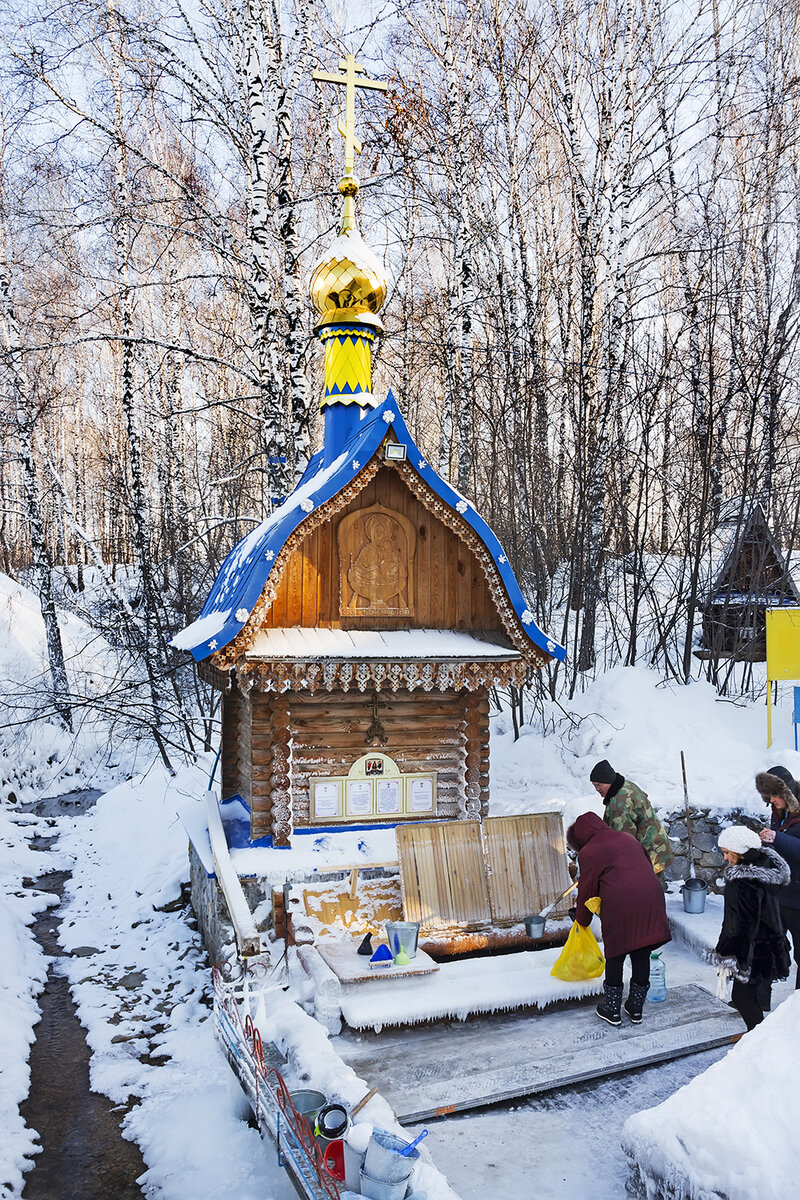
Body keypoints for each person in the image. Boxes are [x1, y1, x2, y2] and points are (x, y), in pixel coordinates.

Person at [567, 812, 671, 1027]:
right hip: (651, 896)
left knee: (616, 953)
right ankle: (635, 1008)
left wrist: (581, 919)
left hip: (621, 902)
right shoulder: (626, 838)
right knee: (641, 950)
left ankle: (612, 1010)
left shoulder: (589, 852)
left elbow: (586, 889)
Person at [713, 825, 791, 1031]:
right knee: (751, 995)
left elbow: (741, 923)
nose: (725, 859)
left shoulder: (742, 881)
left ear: (740, 852)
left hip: (752, 951)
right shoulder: (765, 869)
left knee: (741, 997)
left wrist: (725, 952)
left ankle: (758, 1042)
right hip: (770, 945)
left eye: (727, 853)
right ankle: (759, 1038)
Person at [589, 759, 674, 875]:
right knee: (654, 889)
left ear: (609, 781)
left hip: (649, 855)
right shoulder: (627, 785)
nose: (597, 789)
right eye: (594, 785)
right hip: (657, 847)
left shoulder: (618, 806)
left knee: (646, 891)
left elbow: (623, 844)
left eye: (599, 785)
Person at [756, 766, 800, 989]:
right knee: (766, 946)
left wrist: (777, 839)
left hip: (798, 899)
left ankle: (796, 1011)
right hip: (778, 894)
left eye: (775, 795)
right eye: (768, 796)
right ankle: (755, 1003)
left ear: (787, 793)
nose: (771, 800)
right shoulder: (779, 812)